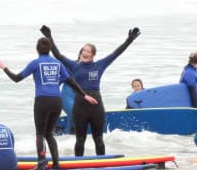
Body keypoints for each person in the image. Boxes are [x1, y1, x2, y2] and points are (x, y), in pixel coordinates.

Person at [0, 37, 97, 170]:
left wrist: (4, 67)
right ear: (49, 50)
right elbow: (70, 81)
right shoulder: (57, 63)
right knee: (49, 134)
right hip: (57, 101)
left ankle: (41, 163)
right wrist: (85, 95)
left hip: (42, 100)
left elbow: (17, 78)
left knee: (40, 133)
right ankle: (56, 164)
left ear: (37, 49)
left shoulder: (35, 63)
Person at [41, 25, 140, 157]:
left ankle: (101, 168)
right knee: (80, 140)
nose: (85, 52)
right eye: (84, 50)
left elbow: (116, 53)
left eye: (88, 51)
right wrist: (49, 37)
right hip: (80, 107)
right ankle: (79, 169)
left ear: (93, 54)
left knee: (98, 139)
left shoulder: (99, 65)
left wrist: (129, 40)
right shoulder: (74, 66)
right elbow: (58, 55)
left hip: (96, 107)